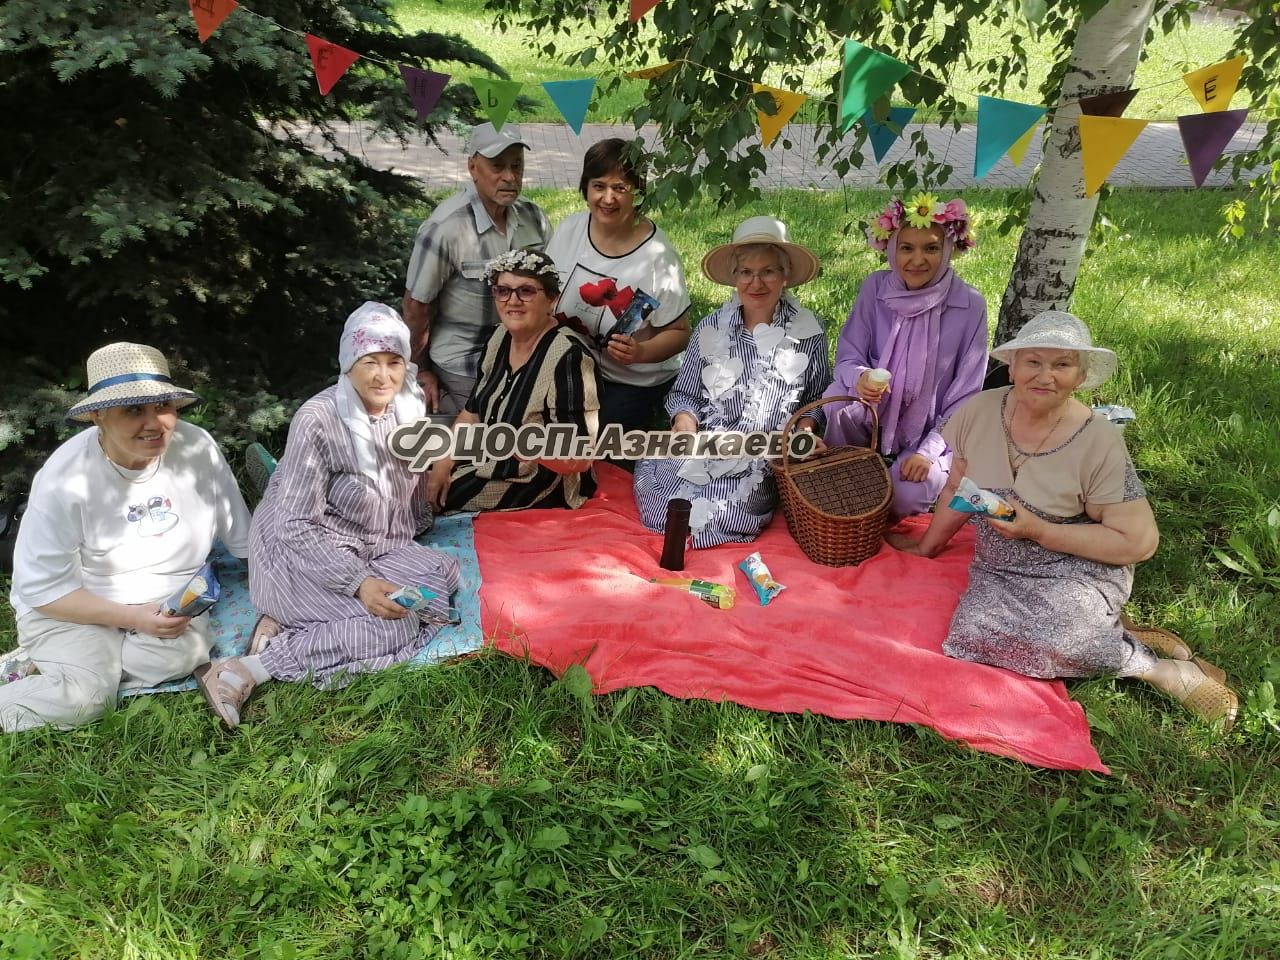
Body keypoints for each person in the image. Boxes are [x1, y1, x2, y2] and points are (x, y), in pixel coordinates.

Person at [888, 311, 1239, 729]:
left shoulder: (1099, 440)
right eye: (1033, 362)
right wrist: (930, 546)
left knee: (1061, 631)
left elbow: (1139, 542)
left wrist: (1040, 531)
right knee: (974, 635)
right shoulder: (978, 412)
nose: (1045, 375)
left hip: (1076, 564)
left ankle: (1159, 670)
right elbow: (958, 486)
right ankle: (1115, 630)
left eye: (1062, 365)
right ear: (1013, 366)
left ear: (1080, 376)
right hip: (1000, 565)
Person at [195, 303, 460, 729]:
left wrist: (421, 509)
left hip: (374, 539)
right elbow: (295, 526)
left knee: (434, 584)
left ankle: (293, 614)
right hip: (302, 551)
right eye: (369, 362)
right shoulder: (318, 420)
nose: (382, 375)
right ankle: (247, 668)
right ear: (347, 364)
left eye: (394, 362)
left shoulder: (407, 405)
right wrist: (359, 584)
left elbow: (403, 482)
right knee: (393, 627)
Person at [2, 343, 251, 732]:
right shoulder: (64, 480)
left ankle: (66, 665)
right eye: (133, 410)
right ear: (97, 415)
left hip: (168, 605)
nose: (154, 423)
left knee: (180, 657)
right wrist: (132, 617)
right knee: (86, 702)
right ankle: (69, 671)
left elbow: (244, 540)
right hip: (76, 608)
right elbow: (44, 591)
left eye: (163, 406)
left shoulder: (198, 447)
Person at [633, 217, 830, 548]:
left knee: (722, 511)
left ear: (785, 276)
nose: (756, 283)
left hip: (762, 452)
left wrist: (805, 429)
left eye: (768, 271)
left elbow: (818, 395)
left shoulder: (808, 333)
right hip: (708, 439)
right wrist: (685, 421)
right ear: (734, 278)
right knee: (665, 496)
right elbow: (686, 392)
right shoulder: (711, 326)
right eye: (745, 273)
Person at [824, 194, 988, 517]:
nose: (917, 260)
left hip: (933, 430)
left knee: (904, 499)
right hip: (874, 413)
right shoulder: (875, 288)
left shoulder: (969, 304)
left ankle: (900, 473)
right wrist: (861, 378)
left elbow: (966, 398)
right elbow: (848, 355)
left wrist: (928, 452)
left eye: (930, 248)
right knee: (837, 404)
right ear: (890, 248)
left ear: (948, 250)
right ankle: (848, 467)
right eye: (906, 248)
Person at [426, 249, 601, 512]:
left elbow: (578, 457)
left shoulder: (569, 358)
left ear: (552, 299)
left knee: (419, 499)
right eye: (503, 290)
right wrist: (444, 461)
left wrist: (523, 446)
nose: (513, 301)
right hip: (487, 456)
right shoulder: (499, 337)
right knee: (411, 474)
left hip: (535, 477)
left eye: (527, 291)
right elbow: (472, 413)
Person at [403, 122, 552, 415]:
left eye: (516, 166)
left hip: (526, 353)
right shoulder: (447, 228)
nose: (509, 177)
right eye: (497, 166)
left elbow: (553, 286)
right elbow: (416, 305)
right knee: (490, 437)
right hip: (465, 361)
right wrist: (420, 371)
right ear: (473, 168)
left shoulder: (533, 216)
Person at [546, 137, 691, 432]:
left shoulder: (658, 258)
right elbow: (546, 291)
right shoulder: (569, 229)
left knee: (592, 439)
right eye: (599, 185)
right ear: (585, 188)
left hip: (630, 381)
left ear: (638, 192)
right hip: (571, 367)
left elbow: (679, 333)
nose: (608, 198)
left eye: (620, 188)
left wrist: (640, 353)